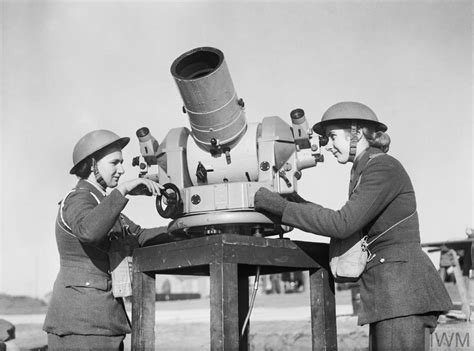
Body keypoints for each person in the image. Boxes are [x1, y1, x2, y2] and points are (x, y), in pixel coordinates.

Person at [254, 102, 453, 350]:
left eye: (333, 136)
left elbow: (342, 224)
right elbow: (345, 219)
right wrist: (297, 202)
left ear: (356, 132)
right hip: (391, 297)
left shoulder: (382, 167)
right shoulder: (365, 169)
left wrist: (281, 208)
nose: (327, 145)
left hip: (401, 296)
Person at [43, 129, 176, 350]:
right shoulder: (77, 199)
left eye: (122, 163)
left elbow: (139, 236)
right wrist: (122, 191)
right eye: (114, 163)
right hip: (81, 326)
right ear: (92, 164)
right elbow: (89, 231)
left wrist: (181, 228)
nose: (122, 170)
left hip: (102, 323)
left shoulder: (102, 204)